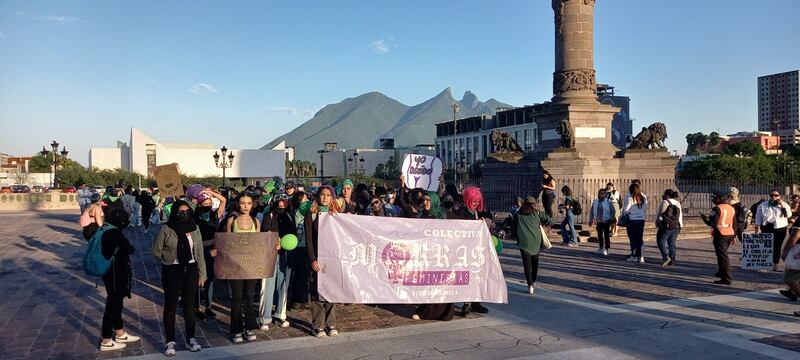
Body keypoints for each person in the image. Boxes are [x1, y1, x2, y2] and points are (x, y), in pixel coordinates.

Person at [152, 200, 206, 356]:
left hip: (190, 268)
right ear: (175, 213)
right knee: (171, 305)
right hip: (172, 269)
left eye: (187, 211)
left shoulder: (195, 229)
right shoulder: (166, 229)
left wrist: (202, 273)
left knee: (190, 305)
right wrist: (168, 257)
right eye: (180, 212)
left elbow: (200, 253)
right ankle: (170, 341)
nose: (184, 214)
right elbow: (156, 251)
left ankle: (191, 338)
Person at [82, 205, 140, 351]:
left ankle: (119, 332)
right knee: (112, 304)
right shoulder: (114, 232)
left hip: (109, 272)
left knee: (116, 302)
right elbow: (129, 249)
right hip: (115, 272)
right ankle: (106, 339)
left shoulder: (104, 228)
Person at [219, 193, 263, 342]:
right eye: (243, 203)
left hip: (250, 266)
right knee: (237, 298)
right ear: (238, 204)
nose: (245, 206)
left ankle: (249, 327)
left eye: (248, 203)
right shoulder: (231, 221)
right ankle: (236, 329)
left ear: (252, 205)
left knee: (249, 297)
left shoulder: (256, 221)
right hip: (235, 266)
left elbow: (257, 243)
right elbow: (227, 242)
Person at [306, 186, 342, 337]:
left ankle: (330, 323)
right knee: (317, 291)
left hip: (333, 258)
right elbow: (308, 238)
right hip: (318, 258)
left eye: (328, 195)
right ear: (318, 196)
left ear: (332, 198)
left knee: (331, 290)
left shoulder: (337, 215)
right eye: (323, 195)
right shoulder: (312, 214)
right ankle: (317, 325)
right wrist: (312, 259)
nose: (325, 198)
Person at [451, 186, 491, 317]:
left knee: (477, 277)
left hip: (475, 250)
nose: (476, 204)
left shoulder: (475, 212)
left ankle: (475, 303)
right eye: (474, 201)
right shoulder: (461, 212)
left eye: (478, 201)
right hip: (464, 251)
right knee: (467, 278)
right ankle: (466, 306)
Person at [262, 193, 295, 329]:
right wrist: (274, 242)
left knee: (283, 285)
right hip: (270, 254)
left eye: (284, 203)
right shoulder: (268, 215)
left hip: (285, 254)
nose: (281, 205)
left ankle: (281, 314)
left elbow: (293, 233)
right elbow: (265, 233)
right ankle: (265, 317)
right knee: (268, 285)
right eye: (279, 203)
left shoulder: (289, 215)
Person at [192, 189, 226, 320]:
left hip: (212, 249)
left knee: (210, 278)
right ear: (200, 205)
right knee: (198, 277)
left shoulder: (215, 214)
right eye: (205, 204)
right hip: (198, 248)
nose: (208, 205)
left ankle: (208, 306)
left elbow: (223, 200)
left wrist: (209, 192)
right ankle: (197, 307)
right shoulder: (194, 216)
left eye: (209, 203)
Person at [512, 196, 554, 294]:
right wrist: (544, 225)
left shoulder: (518, 214)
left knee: (527, 265)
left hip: (523, 243)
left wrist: (516, 237)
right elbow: (551, 221)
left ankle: (530, 284)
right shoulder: (537, 213)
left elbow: (513, 229)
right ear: (533, 204)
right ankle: (534, 281)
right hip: (535, 242)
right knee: (535, 264)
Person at [701, 192, 736, 285]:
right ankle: (721, 272)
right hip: (729, 233)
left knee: (722, 257)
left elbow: (712, 223)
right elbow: (734, 223)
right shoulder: (731, 208)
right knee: (722, 255)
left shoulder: (717, 208)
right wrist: (734, 236)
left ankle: (726, 278)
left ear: (720, 199)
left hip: (721, 234)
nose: (714, 200)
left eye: (715, 198)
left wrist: (704, 219)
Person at [755, 190, 792, 272]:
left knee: (777, 247)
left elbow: (789, 215)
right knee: (766, 246)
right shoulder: (763, 205)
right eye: (772, 195)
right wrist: (757, 226)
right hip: (767, 226)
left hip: (780, 227)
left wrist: (781, 205)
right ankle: (765, 265)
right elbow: (758, 216)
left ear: (780, 196)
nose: (774, 197)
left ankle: (776, 265)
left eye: (776, 195)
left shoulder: (784, 205)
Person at [289, 191, 311, 309]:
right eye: (305, 198)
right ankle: (298, 300)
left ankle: (301, 298)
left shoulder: (298, 212)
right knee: (301, 274)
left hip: (302, 246)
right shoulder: (300, 211)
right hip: (300, 246)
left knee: (303, 274)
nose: (307, 200)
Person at [655, 189, 683, 267]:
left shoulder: (665, 202)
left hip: (666, 226)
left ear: (667, 195)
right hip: (676, 226)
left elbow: (661, 214)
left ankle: (665, 257)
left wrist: (657, 223)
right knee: (671, 243)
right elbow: (680, 215)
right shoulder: (677, 203)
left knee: (660, 241)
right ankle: (672, 259)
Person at [622, 183, 648, 263]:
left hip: (632, 220)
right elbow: (645, 208)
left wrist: (627, 212)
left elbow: (626, 210)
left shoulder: (631, 198)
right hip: (641, 220)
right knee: (639, 238)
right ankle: (641, 256)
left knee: (633, 239)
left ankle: (634, 255)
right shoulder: (643, 198)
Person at [780, 217, 800, 305]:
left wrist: (785, 251)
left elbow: (795, 235)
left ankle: (794, 292)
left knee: (789, 279)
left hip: (798, 253)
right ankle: (793, 292)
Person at [589, 188, 615, 256]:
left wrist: (611, 218)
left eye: (603, 193)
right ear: (598, 194)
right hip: (599, 221)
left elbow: (612, 210)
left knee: (606, 235)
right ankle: (601, 247)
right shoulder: (595, 201)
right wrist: (591, 220)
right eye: (601, 193)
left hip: (606, 220)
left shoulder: (608, 201)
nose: (602, 195)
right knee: (600, 235)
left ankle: (606, 249)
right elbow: (591, 211)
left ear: (605, 194)